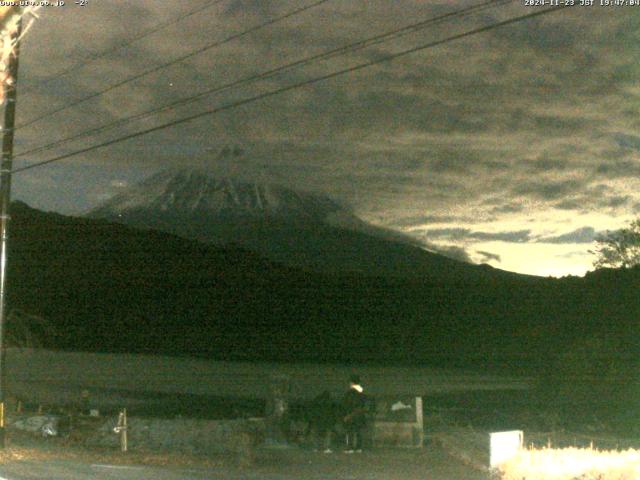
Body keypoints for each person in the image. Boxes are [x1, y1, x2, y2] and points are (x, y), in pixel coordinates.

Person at [341, 374, 368, 453]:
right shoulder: (362, 392)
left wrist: (347, 415)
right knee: (358, 431)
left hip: (352, 415)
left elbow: (347, 404)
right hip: (360, 415)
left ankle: (350, 448)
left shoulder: (351, 392)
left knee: (350, 432)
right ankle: (358, 447)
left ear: (351, 382)